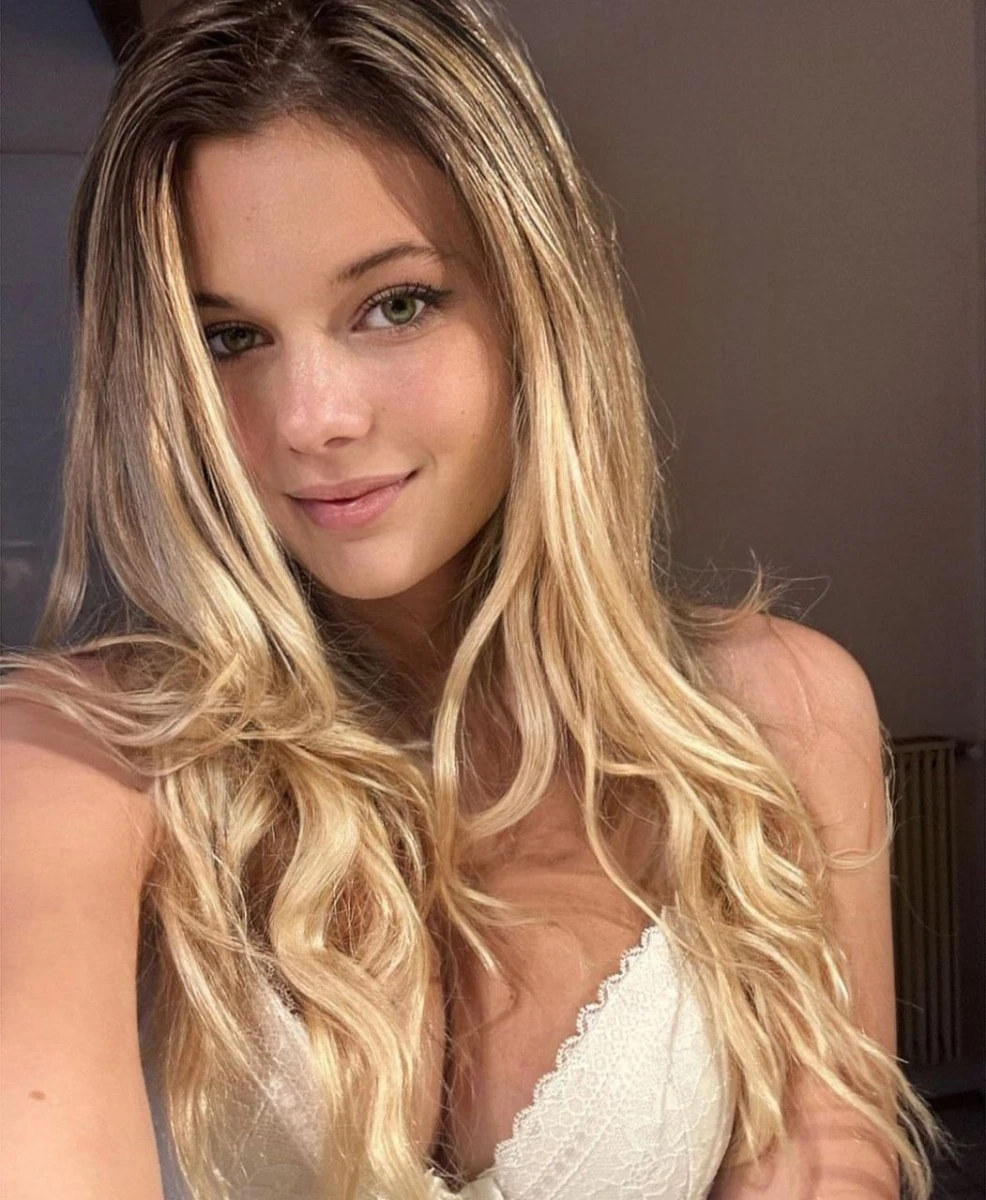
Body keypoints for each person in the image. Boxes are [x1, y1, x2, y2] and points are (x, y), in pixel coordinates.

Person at [0, 1, 943, 1197]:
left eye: (394, 304)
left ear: (535, 308)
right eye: (228, 339)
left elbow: (829, 1167)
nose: (310, 419)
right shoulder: (76, 762)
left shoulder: (782, 719)